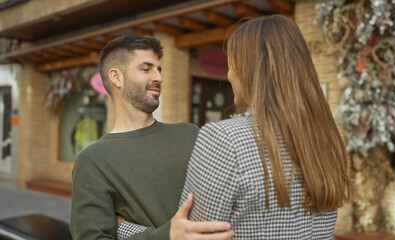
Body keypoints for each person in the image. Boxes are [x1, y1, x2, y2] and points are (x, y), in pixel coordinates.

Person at [171, 15, 354, 239]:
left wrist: (124, 228)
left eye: (231, 64)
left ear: (248, 69)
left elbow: (192, 233)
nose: (228, 75)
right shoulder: (324, 140)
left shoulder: (224, 139)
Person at [70, 34, 234, 240]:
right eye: (146, 69)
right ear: (116, 77)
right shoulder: (93, 162)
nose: (158, 77)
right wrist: (167, 236)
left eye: (158, 69)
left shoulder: (192, 134)